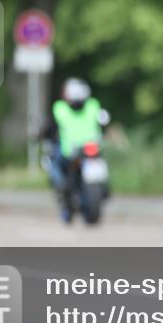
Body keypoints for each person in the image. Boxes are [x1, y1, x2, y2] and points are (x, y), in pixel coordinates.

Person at [40, 78, 107, 223]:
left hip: (72, 150)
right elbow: (103, 121)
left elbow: (49, 129)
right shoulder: (92, 105)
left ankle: (63, 192)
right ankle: (67, 196)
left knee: (54, 165)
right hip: (87, 148)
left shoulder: (60, 108)